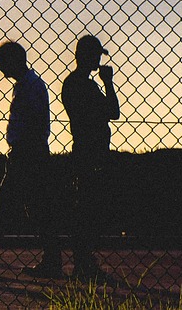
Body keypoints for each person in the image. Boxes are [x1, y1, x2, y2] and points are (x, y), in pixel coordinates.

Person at [0, 41, 62, 277]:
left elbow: (36, 124)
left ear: (13, 61)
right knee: (31, 207)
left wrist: (23, 148)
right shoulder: (28, 85)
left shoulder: (30, 87)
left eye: (1, 63)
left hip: (27, 154)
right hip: (28, 153)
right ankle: (51, 259)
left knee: (7, 205)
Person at [60, 34, 120, 281]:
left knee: (87, 207)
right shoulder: (79, 84)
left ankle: (84, 263)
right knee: (86, 207)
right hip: (88, 151)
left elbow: (109, 113)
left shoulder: (79, 83)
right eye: (96, 55)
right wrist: (108, 83)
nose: (98, 59)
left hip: (90, 151)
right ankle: (84, 264)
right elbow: (112, 112)